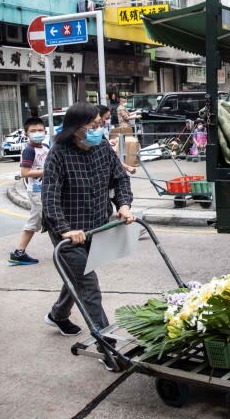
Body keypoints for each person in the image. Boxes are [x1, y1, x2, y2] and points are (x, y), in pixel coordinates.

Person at [41, 102, 135, 371]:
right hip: (68, 232)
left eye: (100, 125)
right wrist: (65, 229)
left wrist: (124, 206)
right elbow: (50, 198)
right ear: (75, 128)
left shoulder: (103, 147)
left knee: (79, 278)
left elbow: (120, 179)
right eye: (93, 126)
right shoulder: (58, 154)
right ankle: (109, 347)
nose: (98, 129)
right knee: (89, 287)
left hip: (95, 226)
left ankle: (58, 314)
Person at [8, 117, 49, 266]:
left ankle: (19, 253)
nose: (37, 133)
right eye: (33, 131)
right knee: (46, 219)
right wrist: (47, 171)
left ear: (45, 131)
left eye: (40, 130)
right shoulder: (29, 150)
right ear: (26, 134)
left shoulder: (45, 146)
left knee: (38, 221)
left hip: (46, 190)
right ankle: (67, 251)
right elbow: (25, 173)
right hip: (37, 191)